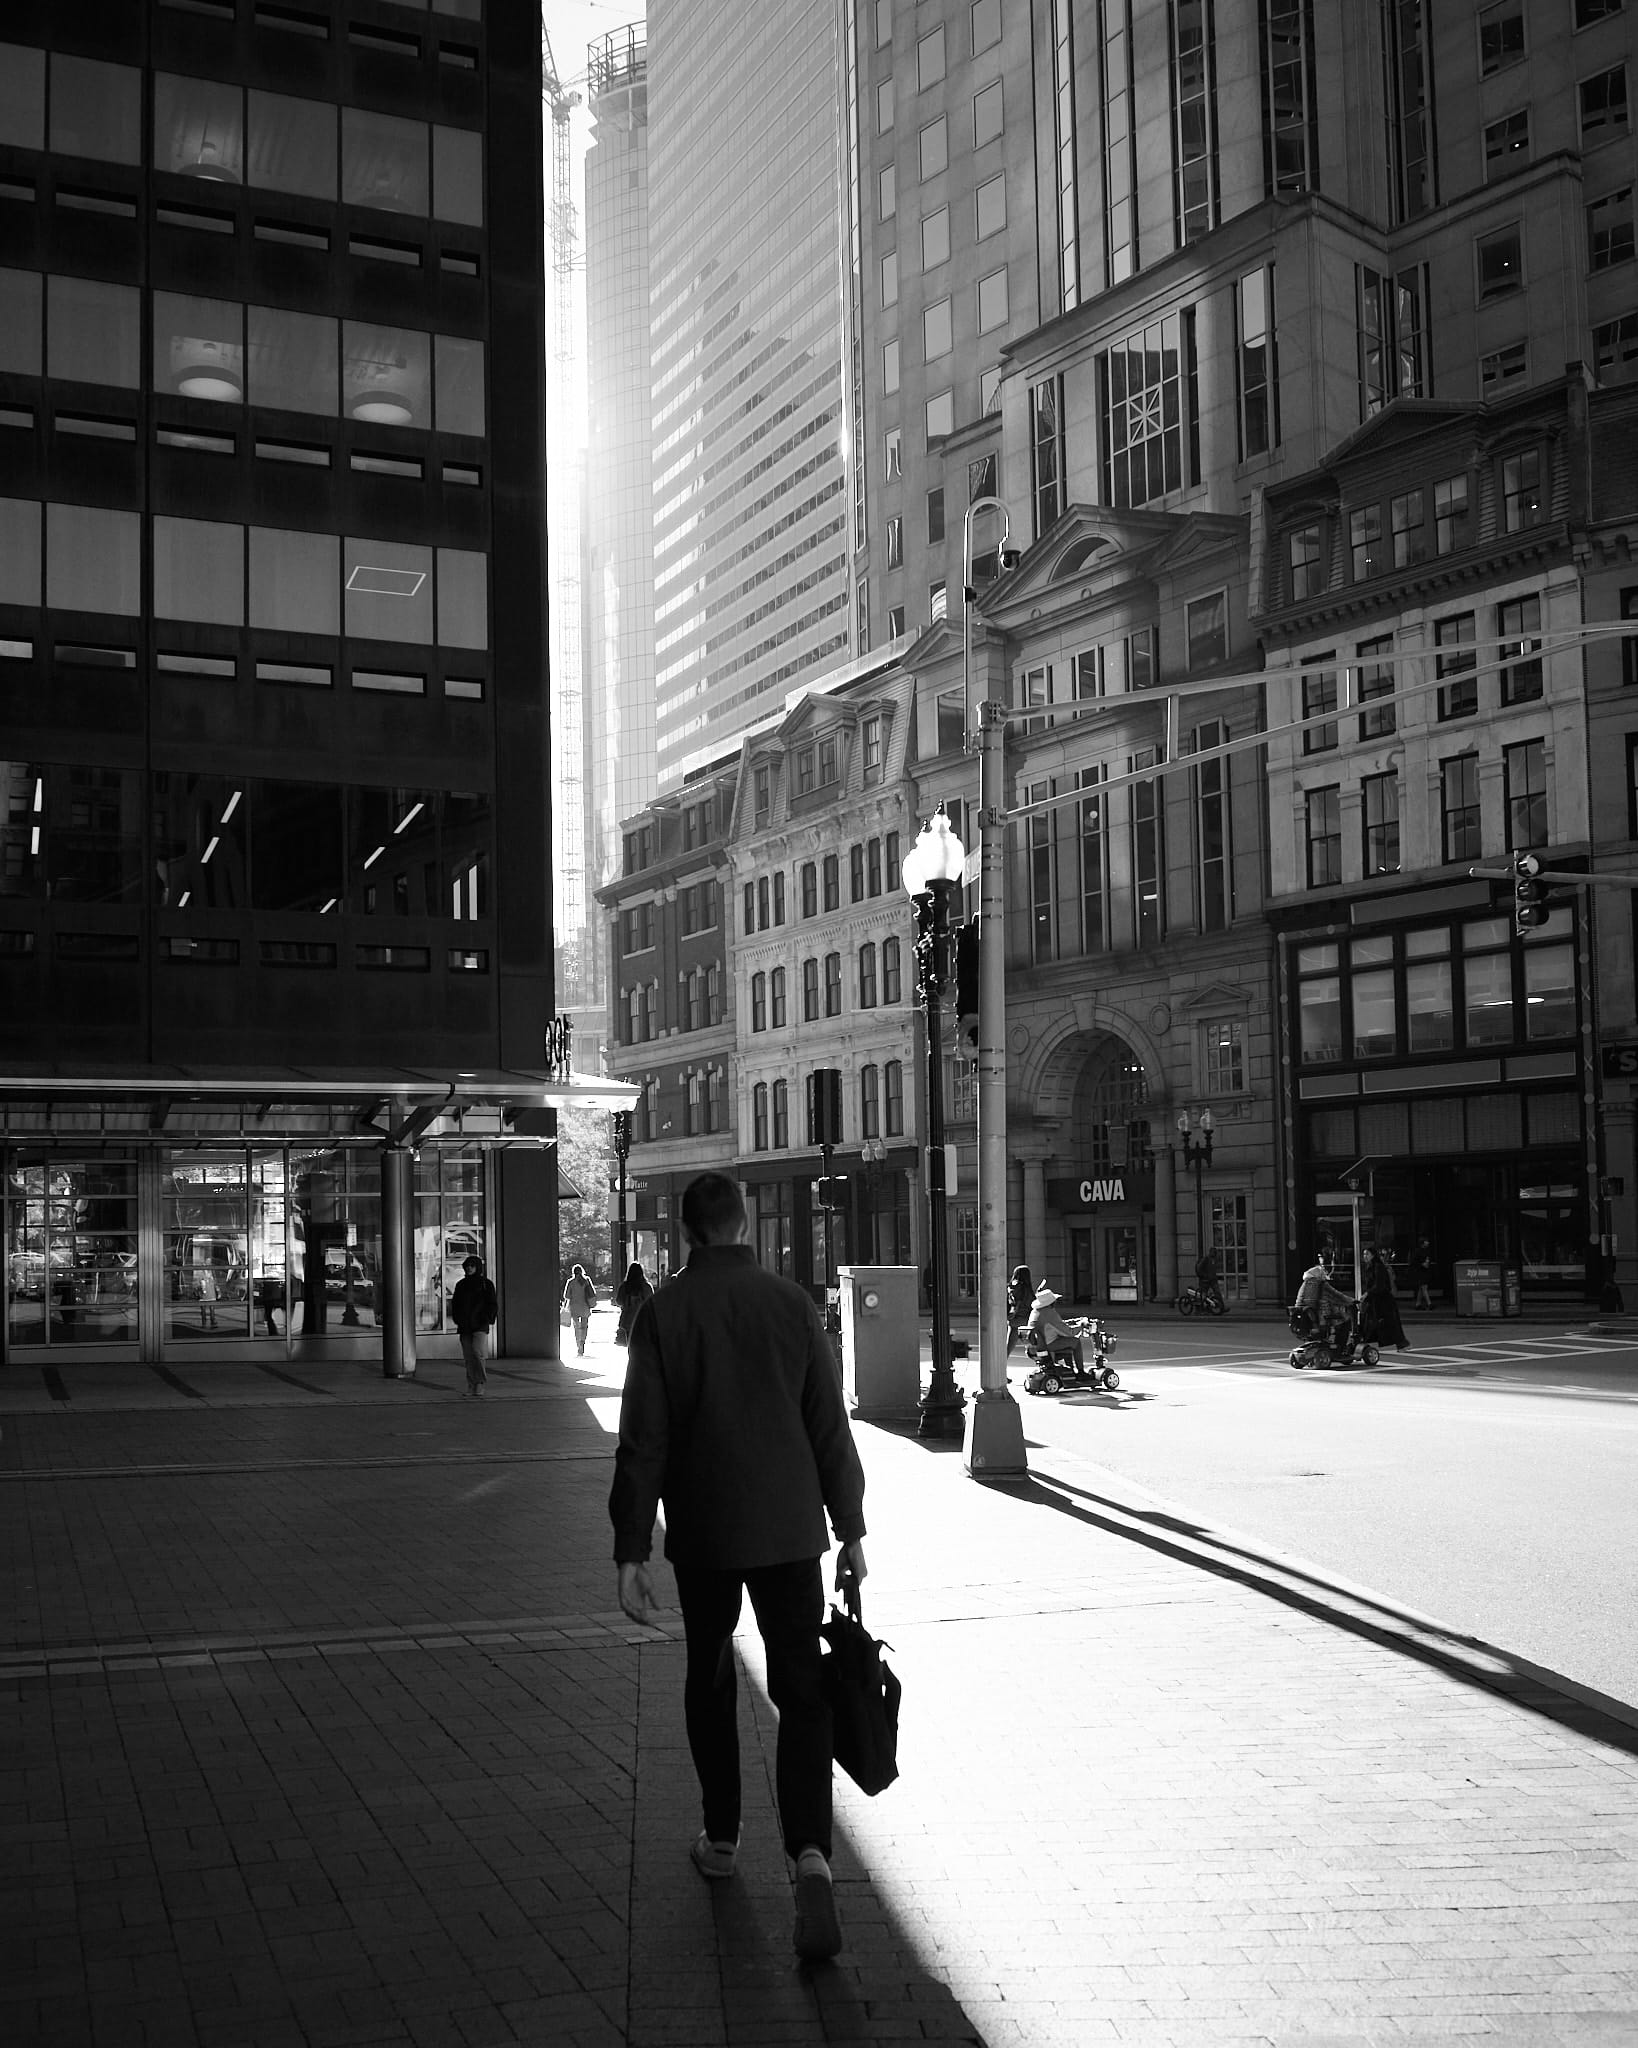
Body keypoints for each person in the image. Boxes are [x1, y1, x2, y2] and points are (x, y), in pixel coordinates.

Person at [609, 1171, 867, 1966]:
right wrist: (850, 1527)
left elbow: (643, 1438)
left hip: (707, 1529)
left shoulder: (663, 1314)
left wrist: (630, 1546)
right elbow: (830, 1424)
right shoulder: (792, 1305)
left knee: (712, 1674)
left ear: (686, 1233)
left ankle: (722, 1837)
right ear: (744, 1220)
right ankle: (811, 1854)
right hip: (791, 1530)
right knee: (801, 1687)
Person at [449, 1253, 497, 1396]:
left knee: (478, 1352)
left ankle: (480, 1383)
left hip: (480, 1325)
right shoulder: (461, 1285)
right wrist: (457, 1318)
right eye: (467, 1266)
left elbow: (492, 1304)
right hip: (465, 1325)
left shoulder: (486, 1284)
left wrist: (487, 1318)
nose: (469, 1268)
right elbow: (455, 1304)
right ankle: (472, 1384)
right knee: (469, 1356)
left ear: (477, 1267)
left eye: (472, 1266)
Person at [1294, 1252, 1350, 1354]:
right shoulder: (1321, 1284)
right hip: (1321, 1317)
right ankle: (1340, 1348)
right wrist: (1351, 1300)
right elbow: (1337, 1295)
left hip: (1305, 1318)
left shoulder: (1304, 1285)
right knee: (1345, 1322)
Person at [1026, 1283, 1084, 1371]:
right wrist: (1082, 1325)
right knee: (1075, 1342)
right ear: (1051, 1303)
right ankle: (1081, 1371)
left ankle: (1070, 1370)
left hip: (1035, 1346)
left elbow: (1055, 1325)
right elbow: (1069, 1332)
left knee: (1065, 1340)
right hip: (1047, 1345)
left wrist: (1071, 1322)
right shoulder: (1049, 1313)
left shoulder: (1035, 1312)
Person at [1361, 1250, 1410, 1351]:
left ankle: (1402, 1343)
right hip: (1375, 1300)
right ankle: (1362, 1343)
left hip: (1384, 1301)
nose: (1365, 1256)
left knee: (1390, 1323)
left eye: (1367, 1254)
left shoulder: (1378, 1267)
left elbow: (1379, 1285)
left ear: (1373, 1255)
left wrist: (1367, 1293)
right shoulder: (1369, 1267)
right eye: (1364, 1254)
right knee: (1370, 1322)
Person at [614, 1259, 653, 1346]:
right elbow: (651, 1302)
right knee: (641, 1342)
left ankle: (631, 1356)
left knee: (629, 1341)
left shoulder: (624, 1286)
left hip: (627, 1318)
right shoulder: (646, 1286)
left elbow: (618, 1301)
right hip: (642, 1318)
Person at [561, 1262, 596, 1357]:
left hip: (574, 1307)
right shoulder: (587, 1280)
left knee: (576, 1327)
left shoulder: (571, 1282)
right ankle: (582, 1343)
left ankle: (578, 1345)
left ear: (573, 1272)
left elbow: (566, 1296)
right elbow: (592, 1293)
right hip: (585, 1307)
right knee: (584, 1326)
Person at [1005, 1264, 1035, 1356]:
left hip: (1014, 1318)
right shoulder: (1024, 1287)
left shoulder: (1012, 1286)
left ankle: (1003, 1361)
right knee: (1035, 1340)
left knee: (1009, 1345)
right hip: (1024, 1317)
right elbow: (1029, 1302)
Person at [1408, 1239, 1433, 1310]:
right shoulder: (1418, 1251)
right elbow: (1414, 1262)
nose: (1428, 1242)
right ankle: (1429, 1303)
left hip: (1424, 1271)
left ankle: (1418, 1304)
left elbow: (1428, 1259)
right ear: (1423, 1243)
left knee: (1421, 1288)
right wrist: (1422, 1264)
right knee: (1424, 1287)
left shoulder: (1427, 1251)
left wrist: (1427, 1263)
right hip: (1420, 1271)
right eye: (1426, 1241)